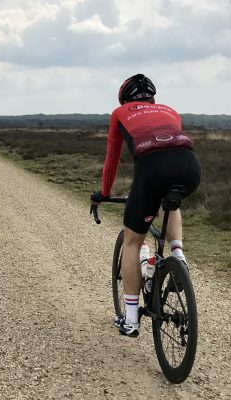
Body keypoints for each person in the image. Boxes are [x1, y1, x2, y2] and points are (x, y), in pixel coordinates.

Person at [91, 74, 201, 337]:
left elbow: (112, 160)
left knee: (132, 242)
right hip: (190, 168)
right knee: (170, 201)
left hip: (151, 172)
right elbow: (171, 148)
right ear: (152, 96)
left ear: (125, 97)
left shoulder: (120, 113)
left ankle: (130, 320)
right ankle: (178, 255)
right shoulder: (170, 111)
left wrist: (104, 193)